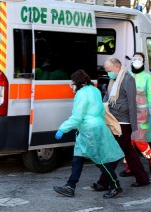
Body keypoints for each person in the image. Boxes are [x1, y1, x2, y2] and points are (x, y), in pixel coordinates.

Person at [53, 69, 125, 198]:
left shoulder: (81, 94)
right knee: (77, 158)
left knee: (100, 159)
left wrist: (62, 129)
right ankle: (70, 186)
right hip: (93, 128)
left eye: (73, 84)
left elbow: (77, 117)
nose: (72, 86)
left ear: (79, 83)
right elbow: (101, 110)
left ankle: (115, 186)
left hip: (89, 130)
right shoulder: (95, 90)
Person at [91, 58, 150, 191]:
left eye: (109, 70)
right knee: (128, 152)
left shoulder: (128, 79)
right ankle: (143, 178)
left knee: (115, 152)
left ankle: (104, 182)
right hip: (114, 119)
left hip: (123, 122)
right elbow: (107, 97)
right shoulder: (114, 80)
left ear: (117, 66)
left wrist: (134, 127)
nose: (108, 74)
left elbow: (131, 103)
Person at [120, 52, 151, 177]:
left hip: (142, 114)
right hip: (127, 114)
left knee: (139, 141)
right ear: (131, 61)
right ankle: (130, 167)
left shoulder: (148, 76)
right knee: (127, 142)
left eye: (139, 59)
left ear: (143, 62)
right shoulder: (126, 75)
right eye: (134, 59)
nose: (136, 61)